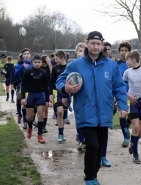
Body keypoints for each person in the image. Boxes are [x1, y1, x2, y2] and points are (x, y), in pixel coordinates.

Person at [56, 31, 128, 185]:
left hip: (104, 114)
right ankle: (89, 178)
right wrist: (65, 89)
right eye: (92, 43)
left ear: (102, 45)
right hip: (85, 112)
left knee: (99, 148)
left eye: (98, 44)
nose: (95, 46)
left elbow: (120, 88)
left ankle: (93, 175)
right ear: (87, 44)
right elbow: (61, 80)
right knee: (92, 145)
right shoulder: (75, 65)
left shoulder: (111, 65)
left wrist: (123, 106)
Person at [21, 55, 49, 143]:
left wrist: (47, 100)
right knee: (29, 117)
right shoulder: (28, 72)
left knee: (40, 114)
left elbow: (46, 87)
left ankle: (39, 135)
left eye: (39, 62)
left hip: (40, 95)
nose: (37, 64)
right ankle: (30, 128)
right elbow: (23, 85)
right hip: (31, 95)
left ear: (41, 63)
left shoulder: (43, 73)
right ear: (32, 62)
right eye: (35, 62)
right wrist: (23, 98)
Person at [50, 50, 68, 143]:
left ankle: (61, 132)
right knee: (59, 112)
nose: (55, 60)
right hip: (56, 92)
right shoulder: (54, 68)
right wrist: (51, 94)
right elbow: (52, 82)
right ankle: (60, 134)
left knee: (63, 114)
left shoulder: (69, 67)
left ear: (62, 58)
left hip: (66, 93)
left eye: (57, 59)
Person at [117, 41, 132, 147]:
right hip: (120, 94)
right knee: (122, 115)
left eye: (126, 51)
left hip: (132, 94)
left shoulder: (131, 65)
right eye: (122, 51)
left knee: (132, 116)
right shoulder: (115, 65)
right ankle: (126, 138)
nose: (123, 53)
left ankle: (126, 127)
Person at [13, 48, 33, 129]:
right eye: (25, 54)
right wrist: (22, 67)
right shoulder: (19, 64)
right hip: (21, 84)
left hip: (31, 85)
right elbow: (15, 74)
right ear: (22, 55)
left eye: (28, 53)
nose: (26, 55)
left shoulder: (33, 63)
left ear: (30, 55)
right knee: (19, 99)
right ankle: (21, 116)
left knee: (31, 103)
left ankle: (31, 119)